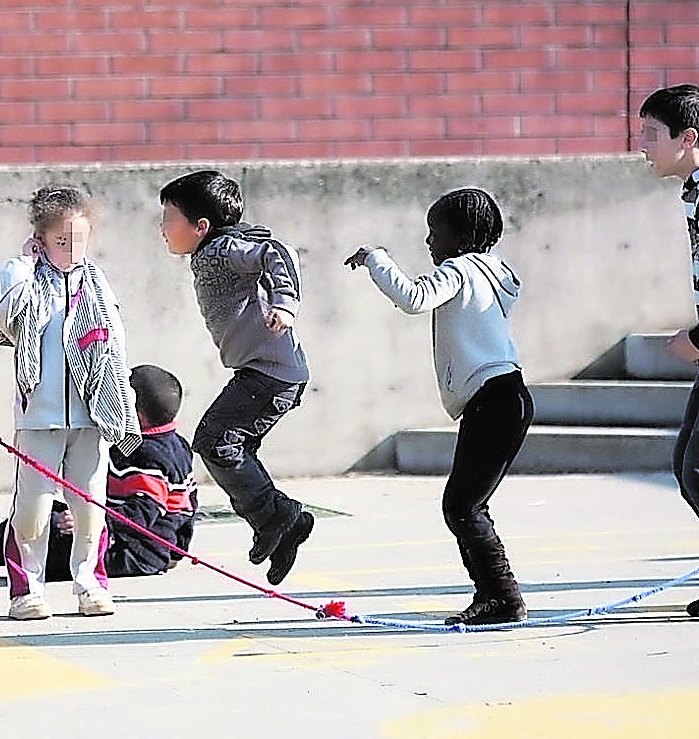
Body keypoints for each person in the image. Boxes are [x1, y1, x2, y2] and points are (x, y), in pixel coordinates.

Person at [345, 187, 533, 625]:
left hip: (494, 399)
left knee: (463, 506)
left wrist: (376, 258)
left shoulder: (460, 271)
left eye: (435, 232)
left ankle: (502, 598)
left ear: (460, 236)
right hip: (506, 396)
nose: (429, 242)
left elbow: (412, 298)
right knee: (464, 504)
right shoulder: (495, 270)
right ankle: (493, 597)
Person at [0, 186, 141, 620]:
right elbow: (0, 310)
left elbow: (115, 344)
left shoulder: (97, 282)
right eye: (60, 241)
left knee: (90, 507)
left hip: (93, 415)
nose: (71, 250)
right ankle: (25, 590)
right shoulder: (24, 278)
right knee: (31, 510)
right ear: (41, 238)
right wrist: (24, 261)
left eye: (80, 240)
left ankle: (90, 582)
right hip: (39, 418)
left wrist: (119, 400)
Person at [158, 169, 314, 586]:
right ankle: (280, 529)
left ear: (200, 226)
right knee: (228, 446)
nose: (162, 229)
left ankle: (279, 517)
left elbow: (278, 253)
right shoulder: (209, 251)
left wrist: (285, 303)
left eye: (169, 219)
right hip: (262, 372)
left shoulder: (225, 249)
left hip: (273, 373)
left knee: (214, 441)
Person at [0, 364, 197, 584]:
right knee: (48, 511)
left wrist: (94, 520)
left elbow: (142, 512)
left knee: (38, 523)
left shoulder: (146, 455)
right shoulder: (174, 445)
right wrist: (175, 551)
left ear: (136, 412)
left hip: (127, 552)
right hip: (144, 551)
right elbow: (187, 506)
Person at [637, 84, 699, 618]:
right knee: (688, 463)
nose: (643, 145)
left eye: (653, 134)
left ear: (688, 138)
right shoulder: (692, 194)